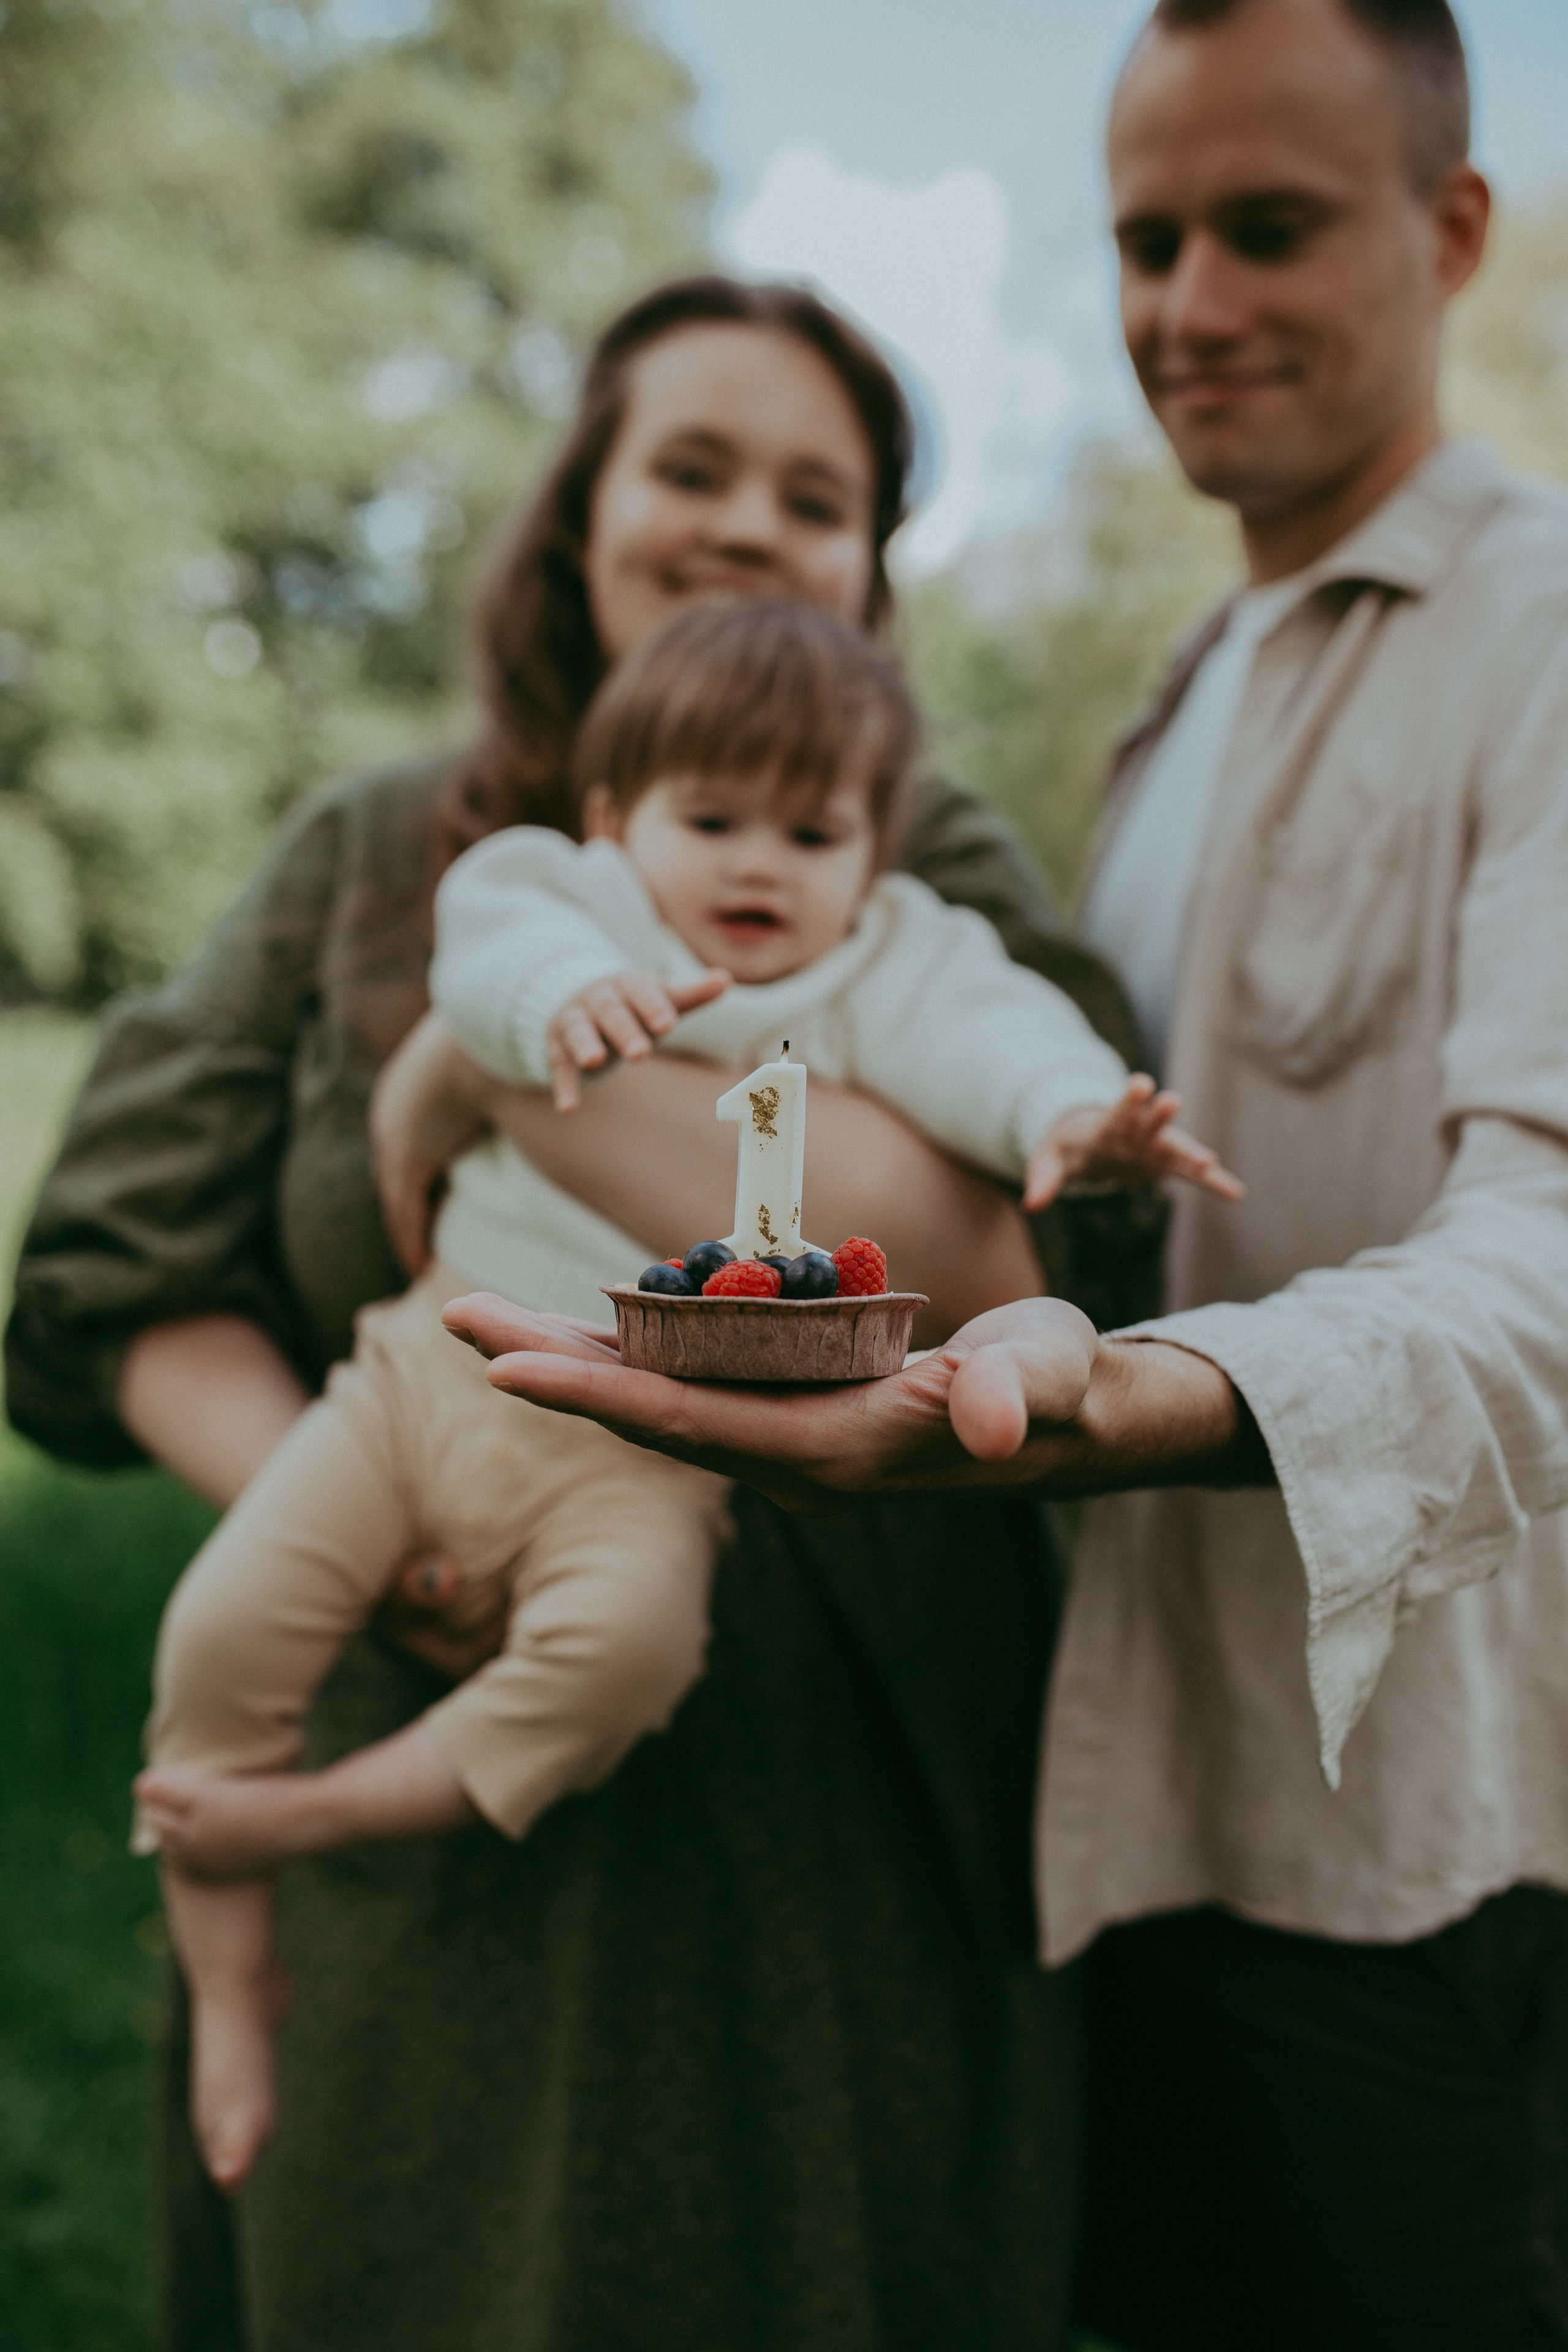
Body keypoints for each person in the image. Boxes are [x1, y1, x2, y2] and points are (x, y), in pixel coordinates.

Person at [449, 6, 1568, 2347]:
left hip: (1422, 1856)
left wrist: (1144, 1393)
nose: (1190, 304)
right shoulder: (1181, 702)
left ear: (1455, 228)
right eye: (1148, 242)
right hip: (1128, 1811)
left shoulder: (1544, 633)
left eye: (1270, 228)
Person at [7, 274, 1156, 2350]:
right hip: (422, 1774)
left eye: (813, 496)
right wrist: (383, 1537)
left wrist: (487, 1079)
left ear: (869, 572)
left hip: (835, 1817)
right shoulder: (382, 850)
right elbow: (115, 1281)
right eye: (690, 466)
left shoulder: (919, 868)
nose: (745, 524)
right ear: (583, 514)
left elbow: (1035, 1267)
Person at [135, 592, 1240, 2196]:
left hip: (642, 1440)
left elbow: (996, 1038)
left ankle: (317, 1820)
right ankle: (232, 1976)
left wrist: (1072, 1113)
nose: (757, 866)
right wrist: (558, 1002)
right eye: (709, 819)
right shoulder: (574, 903)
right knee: (222, 1631)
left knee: (625, 1660)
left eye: (812, 831)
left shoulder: (890, 959)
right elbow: (494, 941)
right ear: (615, 816)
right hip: (425, 1368)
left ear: (876, 849)